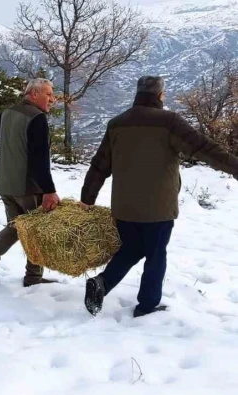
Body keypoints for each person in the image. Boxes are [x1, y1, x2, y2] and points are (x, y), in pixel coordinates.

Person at [81, 76, 238, 318]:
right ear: (160, 95)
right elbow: (205, 149)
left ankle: (103, 282)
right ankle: (147, 306)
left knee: (131, 248)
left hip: (124, 207)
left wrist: (87, 198)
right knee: (155, 254)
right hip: (158, 207)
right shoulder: (169, 122)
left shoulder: (117, 124)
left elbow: (100, 165)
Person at [0, 78, 60, 287]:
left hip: (5, 183)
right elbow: (40, 158)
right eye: (48, 94)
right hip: (27, 186)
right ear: (34, 94)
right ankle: (33, 278)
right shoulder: (37, 118)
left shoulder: (9, 111)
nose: (52, 99)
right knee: (36, 230)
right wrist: (49, 190)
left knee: (18, 227)